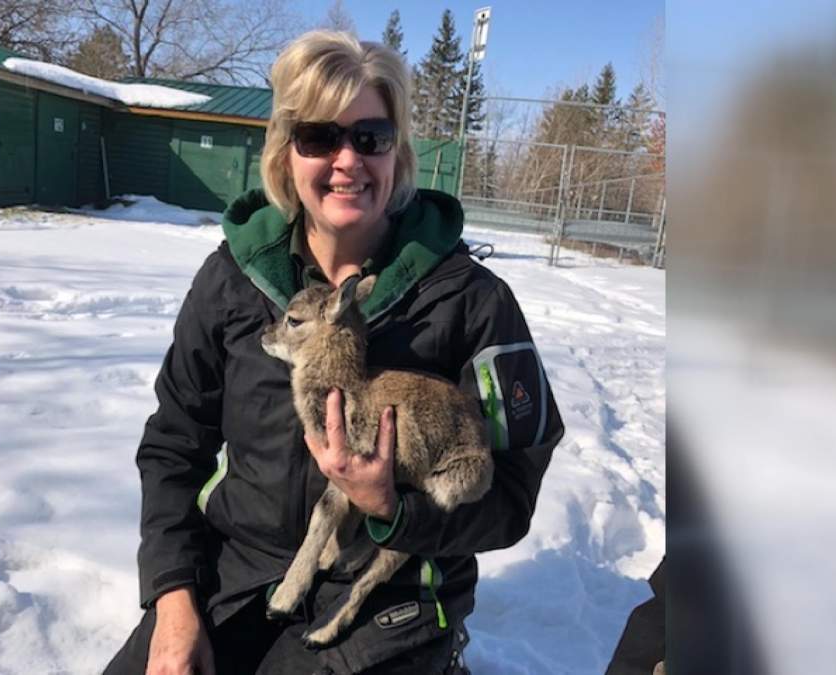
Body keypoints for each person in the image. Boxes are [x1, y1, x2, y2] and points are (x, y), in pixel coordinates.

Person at [102, 30, 565, 675]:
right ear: (286, 152)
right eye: (320, 137)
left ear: (397, 154)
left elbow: (509, 495)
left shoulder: (468, 299)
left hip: (390, 598)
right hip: (234, 579)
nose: (347, 160)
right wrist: (173, 599)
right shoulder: (235, 279)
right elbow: (173, 446)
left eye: (370, 137)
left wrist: (393, 511)